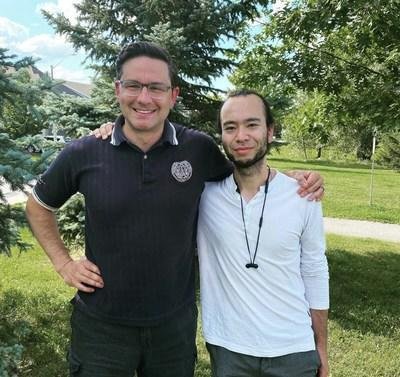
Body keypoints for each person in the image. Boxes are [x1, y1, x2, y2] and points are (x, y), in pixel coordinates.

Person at [26, 41, 323, 377]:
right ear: (118, 90)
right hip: (101, 329)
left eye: (156, 87)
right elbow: (38, 205)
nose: (144, 98)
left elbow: (245, 175)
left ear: (173, 95)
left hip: (173, 330)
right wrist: (64, 263)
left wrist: (292, 180)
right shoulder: (85, 152)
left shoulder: (197, 149)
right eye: (134, 85)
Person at [197, 89, 329, 377]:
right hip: (228, 349)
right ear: (221, 136)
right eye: (230, 127)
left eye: (252, 124)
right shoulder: (203, 195)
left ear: (270, 131)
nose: (241, 135)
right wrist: (108, 132)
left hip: (293, 351)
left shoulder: (302, 195)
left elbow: (315, 269)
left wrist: (321, 347)